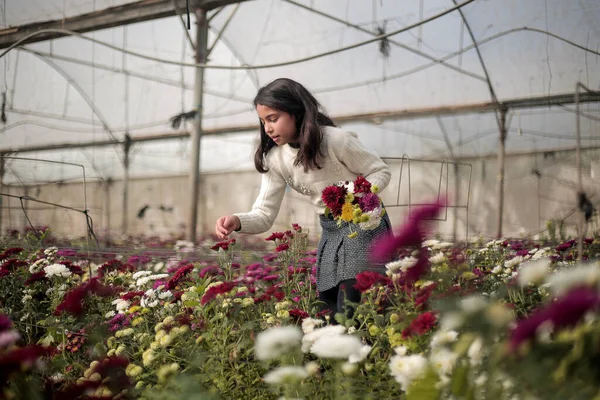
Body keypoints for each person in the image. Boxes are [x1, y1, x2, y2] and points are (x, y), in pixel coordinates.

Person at [215, 78, 391, 322]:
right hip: (330, 229)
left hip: (364, 223)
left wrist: (354, 195)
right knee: (328, 304)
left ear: (297, 112)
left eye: (273, 118)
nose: (267, 128)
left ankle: (366, 353)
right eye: (263, 121)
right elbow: (264, 215)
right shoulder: (276, 159)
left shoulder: (336, 140)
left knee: (355, 302)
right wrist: (237, 220)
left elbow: (380, 170)